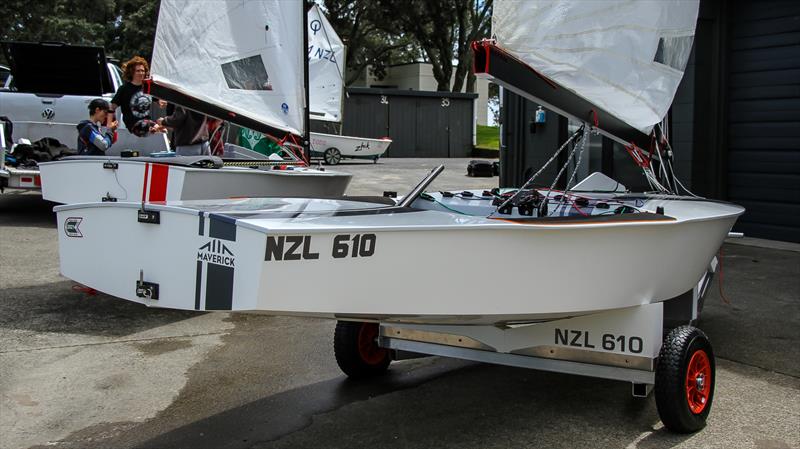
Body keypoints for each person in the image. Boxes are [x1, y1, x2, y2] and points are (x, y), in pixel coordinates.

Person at [111, 56, 161, 137]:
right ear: (132, 72)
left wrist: (160, 102)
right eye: (138, 71)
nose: (141, 73)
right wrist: (110, 124)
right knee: (152, 127)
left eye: (143, 71)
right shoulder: (124, 89)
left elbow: (158, 100)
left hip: (147, 124)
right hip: (132, 125)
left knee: (162, 130)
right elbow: (112, 107)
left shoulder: (148, 88)